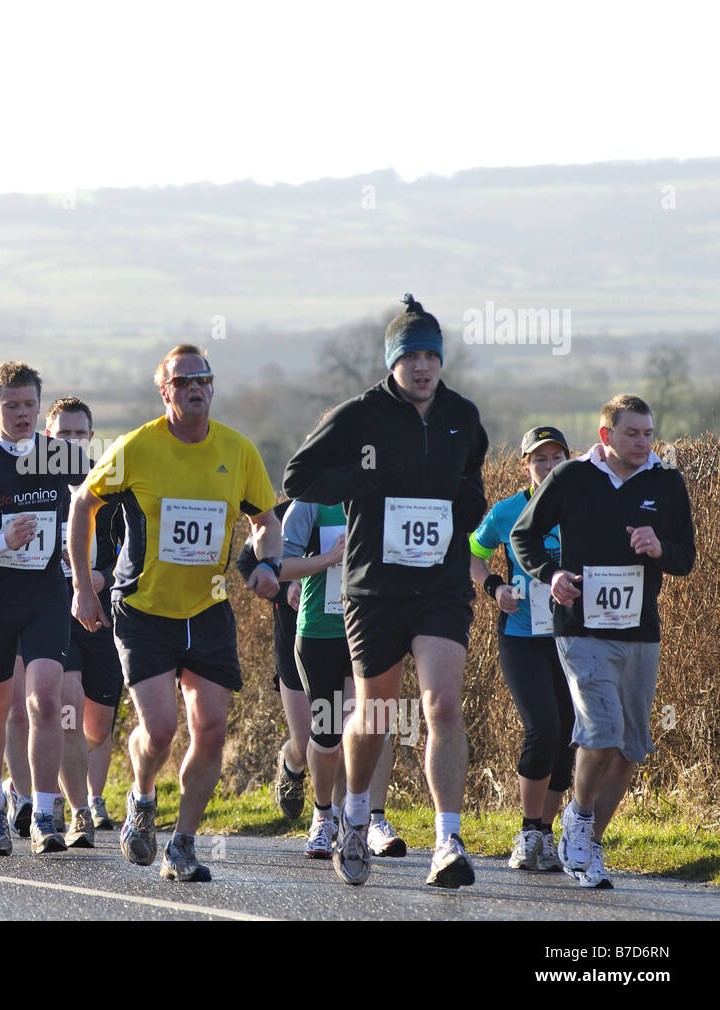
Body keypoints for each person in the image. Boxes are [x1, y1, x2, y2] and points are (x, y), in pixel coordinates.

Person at [283, 295, 488, 888]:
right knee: (375, 712)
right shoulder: (359, 416)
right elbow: (299, 476)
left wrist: (464, 506)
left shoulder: (462, 416)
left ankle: (447, 839)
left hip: (440, 584)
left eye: (431, 355)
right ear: (393, 362)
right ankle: (353, 816)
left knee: (442, 704)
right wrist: (362, 479)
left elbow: (472, 481)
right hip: (374, 587)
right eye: (411, 356)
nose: (422, 366)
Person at [69, 344, 282, 882]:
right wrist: (82, 589)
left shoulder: (237, 451)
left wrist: (266, 561)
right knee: (160, 729)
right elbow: (82, 505)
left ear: (212, 387)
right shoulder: (137, 447)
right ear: (165, 391)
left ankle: (183, 843)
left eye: (204, 378)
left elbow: (266, 520)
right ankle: (142, 797)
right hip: (144, 608)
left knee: (210, 730)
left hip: (207, 607)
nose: (195, 387)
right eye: (184, 380)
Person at [512, 395, 694, 889]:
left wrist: (660, 548)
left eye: (649, 433)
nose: (643, 442)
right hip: (580, 627)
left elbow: (687, 557)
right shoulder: (571, 477)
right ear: (606, 436)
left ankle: (586, 838)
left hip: (640, 632)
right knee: (602, 730)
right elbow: (523, 536)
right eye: (632, 433)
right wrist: (551, 576)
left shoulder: (667, 482)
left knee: (630, 748)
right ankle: (580, 820)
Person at [0, 361, 88, 855]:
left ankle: (45, 814)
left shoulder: (61, 457)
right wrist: (1, 541)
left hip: (46, 594)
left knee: (46, 700)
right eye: (12, 406)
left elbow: (96, 501)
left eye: (30, 405)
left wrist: (80, 550)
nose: (22, 414)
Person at [273, 500, 406, 859]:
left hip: (369, 628)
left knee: (374, 720)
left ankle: (373, 819)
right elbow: (280, 565)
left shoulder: (383, 496)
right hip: (320, 631)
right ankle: (323, 817)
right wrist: (327, 560)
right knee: (327, 729)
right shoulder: (309, 505)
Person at [469, 427, 573, 871]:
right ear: (525, 465)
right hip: (521, 636)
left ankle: (546, 837)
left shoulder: (581, 505)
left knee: (570, 735)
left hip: (573, 637)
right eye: (540, 459)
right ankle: (528, 831)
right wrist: (494, 586)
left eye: (557, 458)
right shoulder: (506, 511)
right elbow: (467, 552)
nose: (548, 467)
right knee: (542, 728)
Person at [47, 395, 124, 845]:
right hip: (54, 612)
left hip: (103, 612)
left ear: (92, 438)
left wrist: (103, 576)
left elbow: (135, 549)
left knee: (98, 724)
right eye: (64, 434)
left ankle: (83, 792)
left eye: (80, 433)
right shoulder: (37, 486)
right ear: (49, 437)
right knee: (67, 707)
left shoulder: (112, 487)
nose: (73, 441)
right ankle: (78, 808)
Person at [234, 501, 313, 820]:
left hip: (345, 638)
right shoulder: (282, 514)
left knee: (339, 732)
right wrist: (283, 590)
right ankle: (292, 764)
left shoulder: (357, 506)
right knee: (307, 739)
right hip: (293, 641)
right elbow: (245, 562)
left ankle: (338, 818)